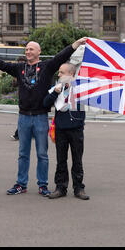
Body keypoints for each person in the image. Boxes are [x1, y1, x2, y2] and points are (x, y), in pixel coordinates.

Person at [0, 38, 88, 196]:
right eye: (27, 49)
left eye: (31, 49)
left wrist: (76, 44)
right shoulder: (19, 68)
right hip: (23, 117)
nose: (28, 51)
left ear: (39, 52)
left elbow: (61, 56)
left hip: (40, 117)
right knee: (23, 153)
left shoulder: (47, 67)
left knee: (42, 154)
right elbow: (4, 66)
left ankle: (43, 185)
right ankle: (21, 184)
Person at [43, 63, 89, 200]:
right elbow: (45, 103)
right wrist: (55, 93)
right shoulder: (56, 88)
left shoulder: (81, 89)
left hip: (76, 129)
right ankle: (60, 187)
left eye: (62, 72)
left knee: (77, 160)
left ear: (71, 74)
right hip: (61, 129)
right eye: (59, 72)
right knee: (61, 160)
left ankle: (79, 188)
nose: (59, 75)